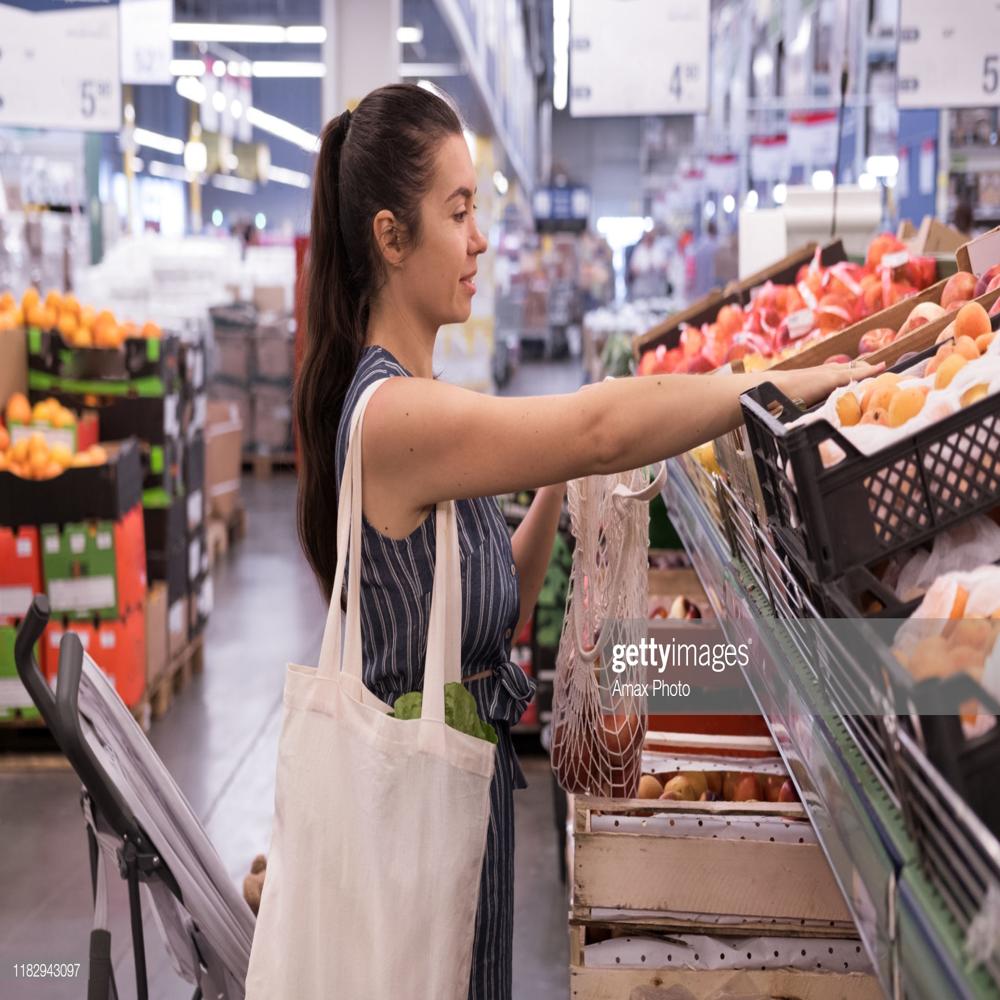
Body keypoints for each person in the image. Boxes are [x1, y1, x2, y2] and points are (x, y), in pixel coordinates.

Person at [294, 83, 880, 1000]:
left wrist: (555, 489)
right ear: (389, 236)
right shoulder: (392, 416)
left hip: (457, 809)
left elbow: (503, 610)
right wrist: (772, 380)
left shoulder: (419, 405)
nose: (480, 238)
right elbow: (603, 426)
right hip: (406, 824)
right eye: (457, 212)